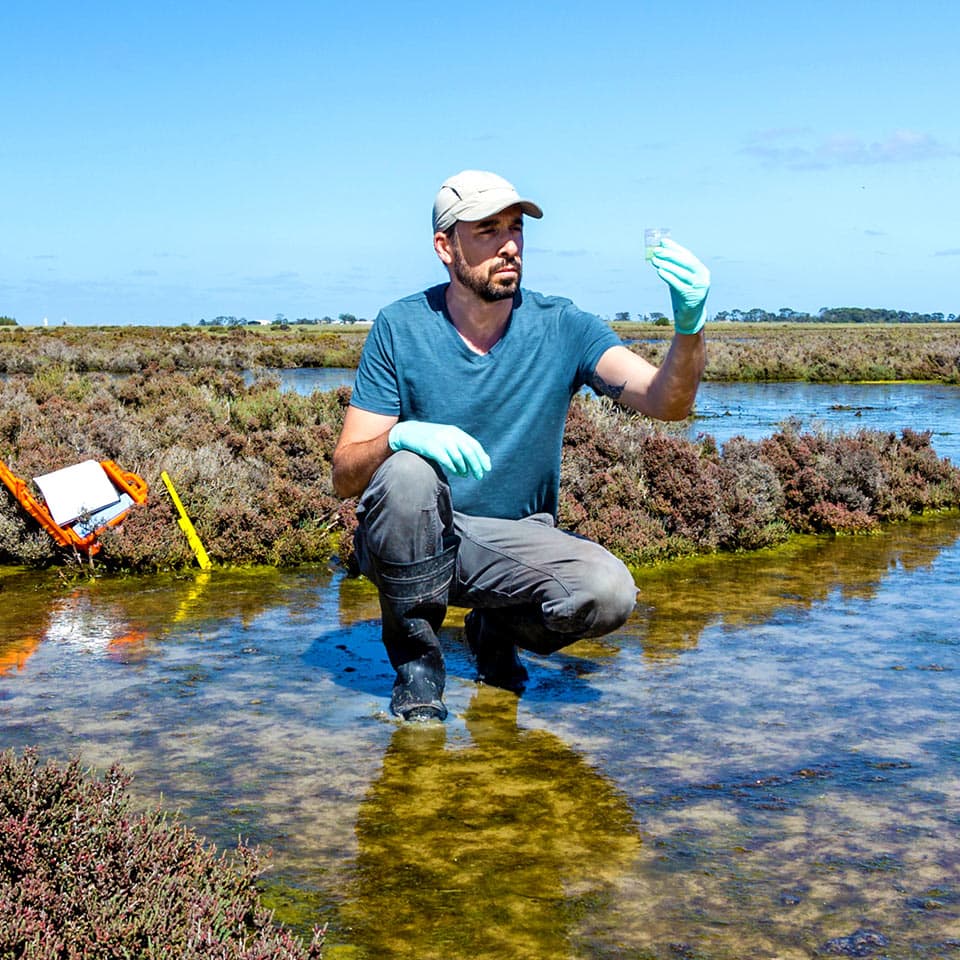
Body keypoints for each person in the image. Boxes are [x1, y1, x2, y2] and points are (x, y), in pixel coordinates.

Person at [332, 169, 709, 721]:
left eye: (515, 228)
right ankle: (417, 668)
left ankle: (496, 625)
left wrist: (690, 327)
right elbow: (345, 475)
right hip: (417, 535)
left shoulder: (564, 326)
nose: (509, 245)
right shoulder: (399, 326)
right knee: (407, 473)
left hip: (514, 544)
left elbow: (667, 403)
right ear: (445, 246)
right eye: (487, 230)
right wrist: (398, 438)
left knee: (607, 593)